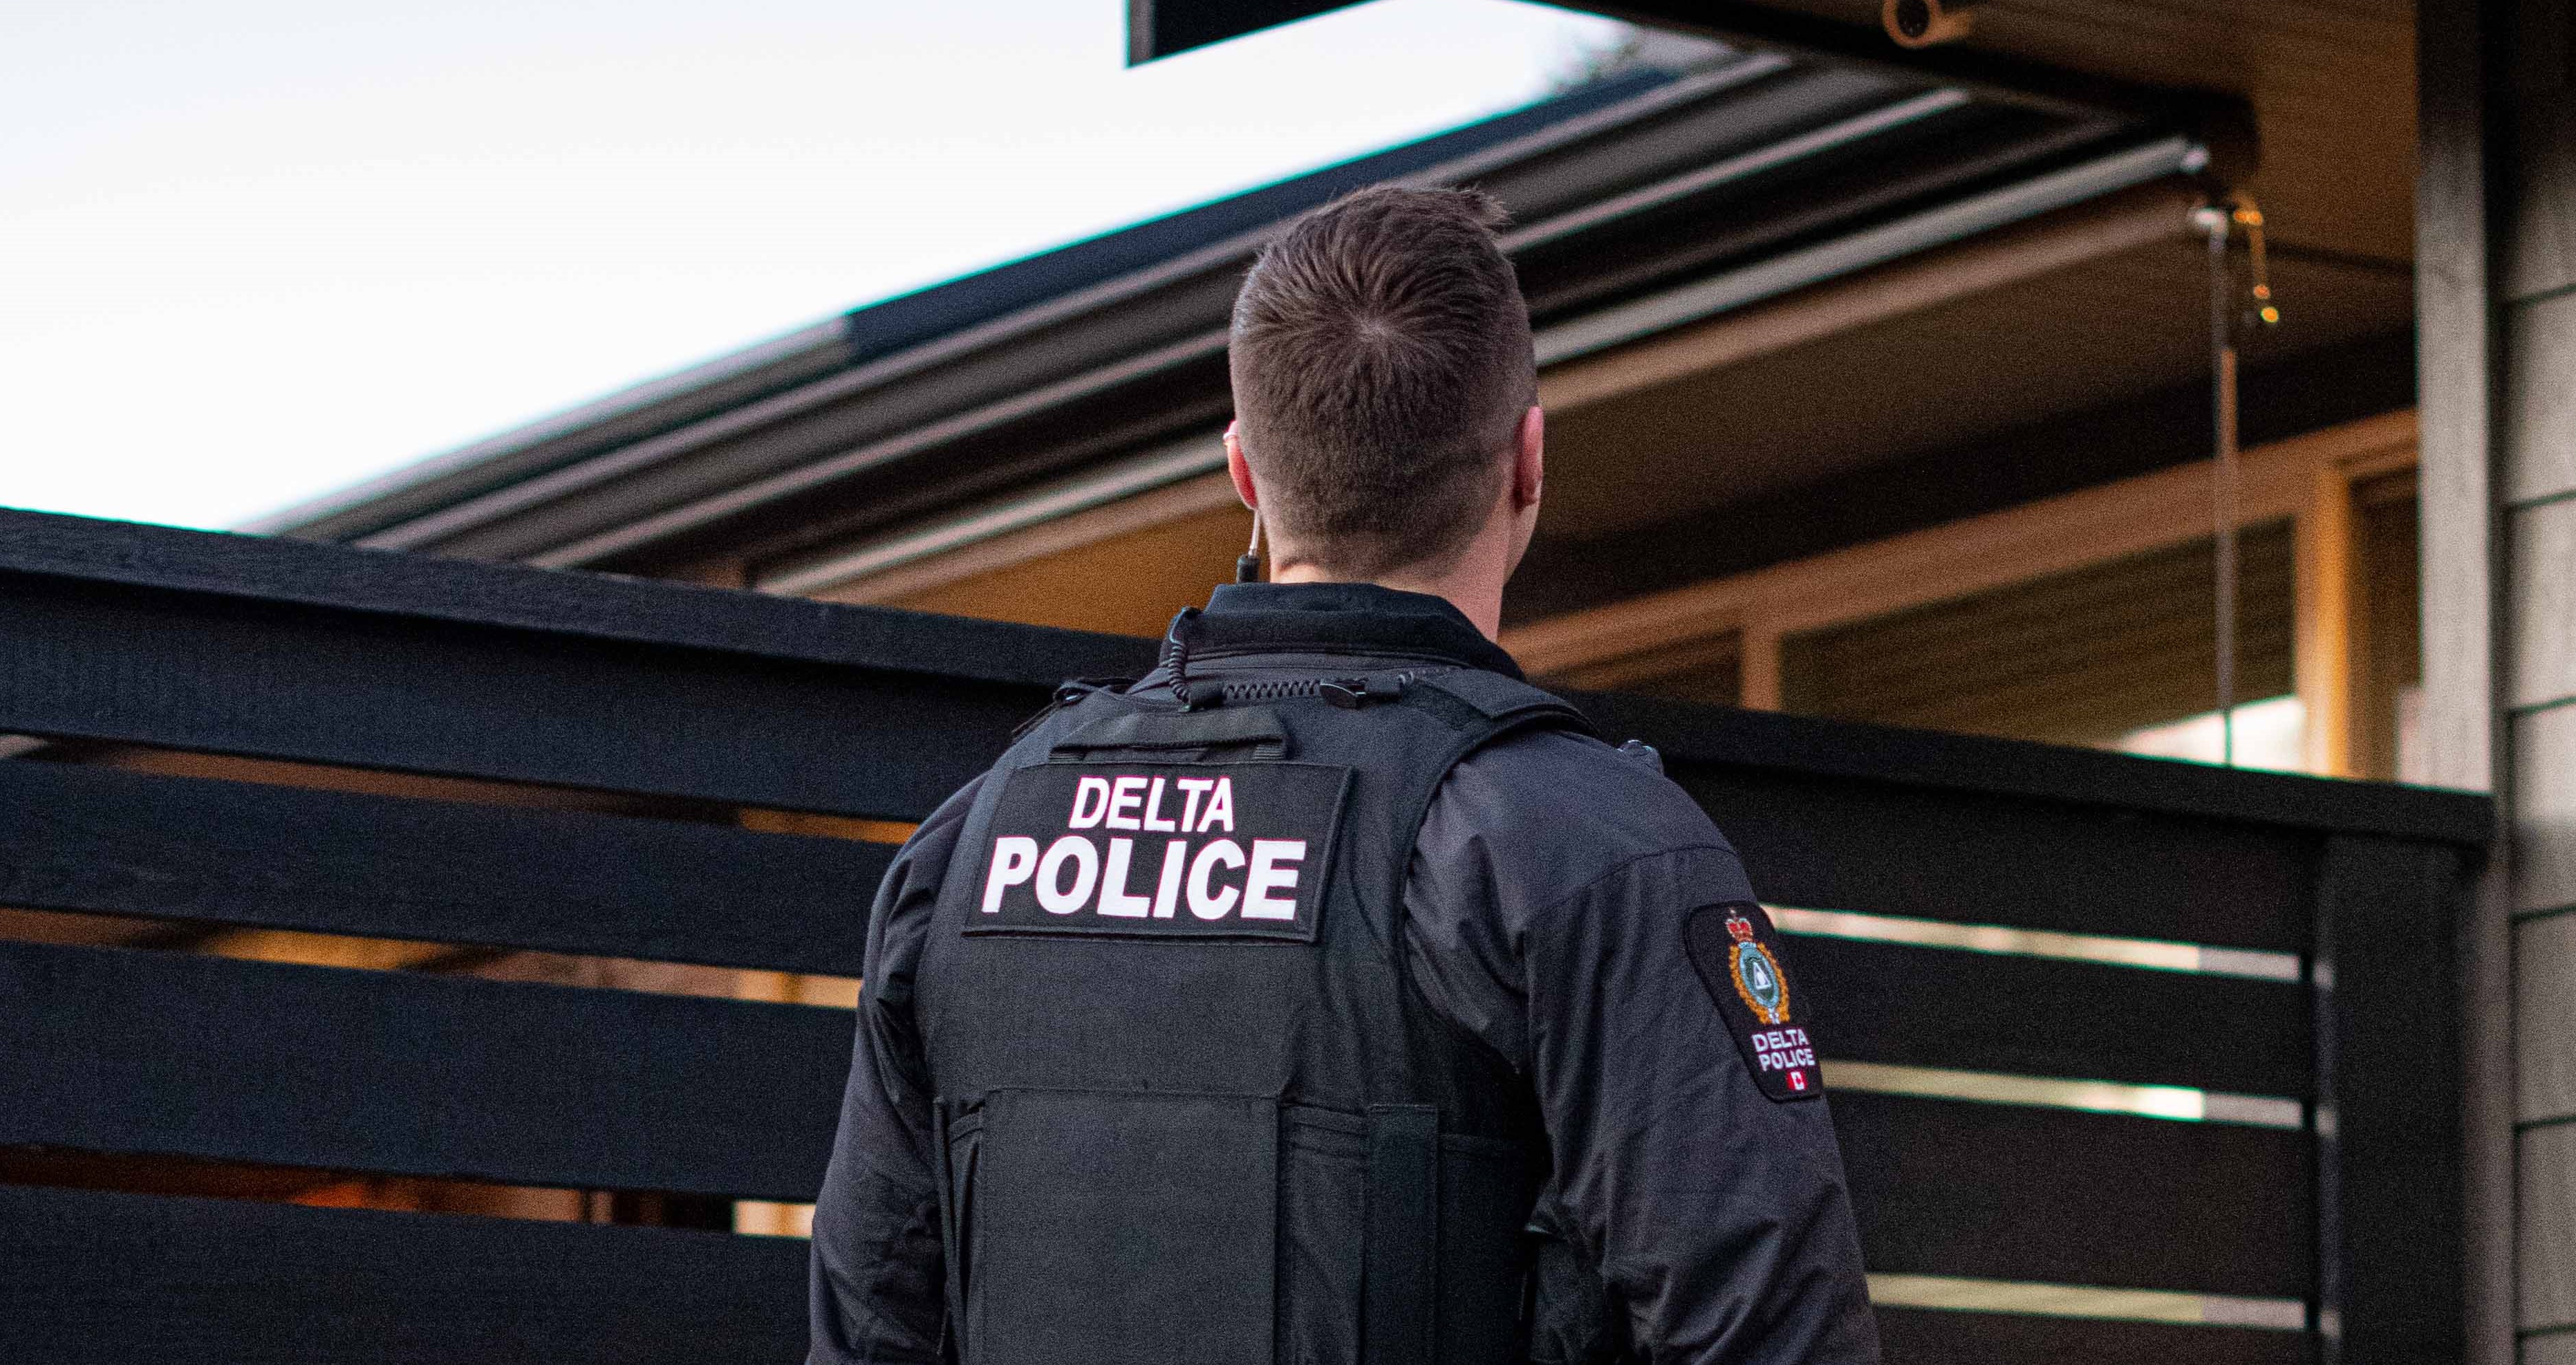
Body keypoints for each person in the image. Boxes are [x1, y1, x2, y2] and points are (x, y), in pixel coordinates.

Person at [805, 184, 1880, 1365]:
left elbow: (870, 1326)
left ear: (1245, 473)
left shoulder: (973, 842)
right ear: (1527, 461)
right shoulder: (1580, 846)